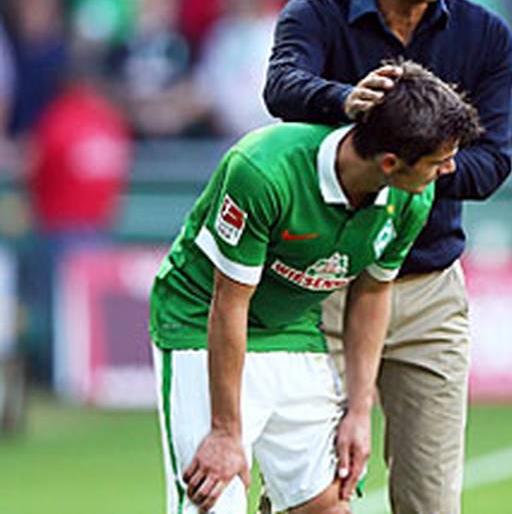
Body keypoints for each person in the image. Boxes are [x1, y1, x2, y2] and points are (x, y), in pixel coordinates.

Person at [262, 0, 512, 514]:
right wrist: (349, 101)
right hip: (321, 286)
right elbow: (281, 87)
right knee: (304, 501)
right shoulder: (317, 14)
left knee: (431, 502)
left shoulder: (486, 36)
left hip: (428, 290)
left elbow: (493, 161)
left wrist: (414, 163)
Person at [150, 64, 483, 514]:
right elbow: (229, 302)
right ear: (389, 163)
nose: (450, 168)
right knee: (214, 501)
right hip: (199, 325)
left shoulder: (412, 197)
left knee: (328, 506)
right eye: (438, 160)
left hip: (294, 328)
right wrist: (226, 431)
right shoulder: (263, 171)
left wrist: (359, 413)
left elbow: (372, 294)